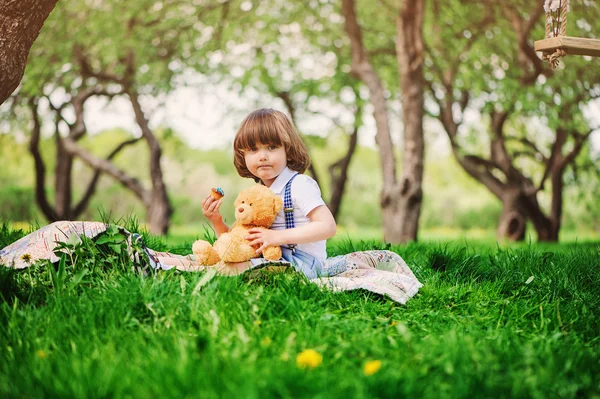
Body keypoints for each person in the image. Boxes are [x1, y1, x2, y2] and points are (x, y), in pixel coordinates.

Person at [201, 108, 421, 285]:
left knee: (227, 270)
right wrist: (217, 221)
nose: (263, 156)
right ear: (243, 155)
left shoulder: (299, 185)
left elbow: (327, 227)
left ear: (287, 149)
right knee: (226, 260)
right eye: (253, 150)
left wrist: (276, 238)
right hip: (268, 257)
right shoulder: (256, 194)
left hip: (303, 262)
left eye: (271, 147)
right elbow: (240, 240)